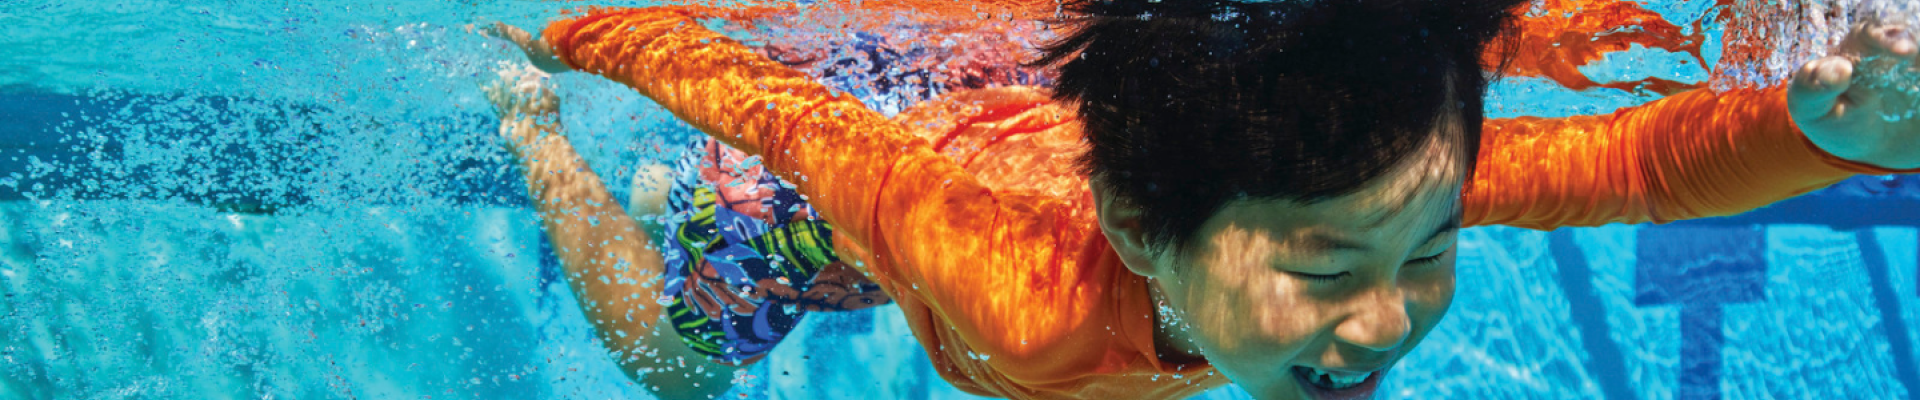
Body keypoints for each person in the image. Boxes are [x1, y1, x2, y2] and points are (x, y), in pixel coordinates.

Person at [483, 0, 1920, 398]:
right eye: (1329, 270)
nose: (1389, 321)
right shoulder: (1022, 302)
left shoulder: (1364, 191)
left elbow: (1637, 167)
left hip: (1008, 144)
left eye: (1428, 252)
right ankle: (534, 133)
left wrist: (1828, 127)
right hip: (849, 198)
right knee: (674, 364)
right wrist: (580, 37)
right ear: (1139, 235)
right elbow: (784, 115)